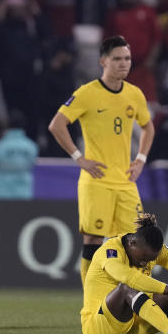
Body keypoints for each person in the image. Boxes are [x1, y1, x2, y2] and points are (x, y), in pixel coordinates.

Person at [48, 35, 155, 287]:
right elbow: (57, 125)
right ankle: (92, 301)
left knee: (138, 239)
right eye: (117, 59)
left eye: (127, 58)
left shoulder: (135, 94)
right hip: (96, 182)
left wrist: (140, 159)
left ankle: (135, 301)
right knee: (94, 240)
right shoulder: (87, 93)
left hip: (126, 182)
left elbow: (148, 128)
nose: (123, 64)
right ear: (103, 62)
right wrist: (79, 157)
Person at [0, 111, 38, 199]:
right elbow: (31, 164)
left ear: (6, 126)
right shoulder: (31, 146)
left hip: (2, 194)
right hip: (24, 193)